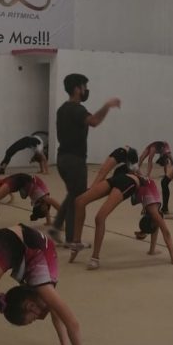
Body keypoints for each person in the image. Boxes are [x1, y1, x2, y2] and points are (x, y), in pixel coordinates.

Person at [53, 73, 121, 246]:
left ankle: (56, 227)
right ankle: (71, 239)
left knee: (73, 195)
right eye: (84, 87)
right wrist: (107, 105)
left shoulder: (63, 109)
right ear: (77, 89)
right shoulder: (77, 109)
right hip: (74, 161)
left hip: (62, 158)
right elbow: (94, 121)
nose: (86, 90)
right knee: (78, 199)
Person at [69, 170, 173, 270]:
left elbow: (156, 225)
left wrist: (152, 250)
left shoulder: (153, 210)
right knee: (79, 201)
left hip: (126, 180)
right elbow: (165, 232)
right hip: (126, 180)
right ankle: (77, 242)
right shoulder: (154, 211)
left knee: (99, 217)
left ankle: (95, 258)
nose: (158, 223)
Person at [0, 173, 63, 237]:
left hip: (18, 179)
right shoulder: (42, 196)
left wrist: (49, 221)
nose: (45, 210)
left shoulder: (40, 199)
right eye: (45, 208)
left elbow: (46, 208)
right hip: (21, 179)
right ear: (45, 206)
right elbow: (53, 204)